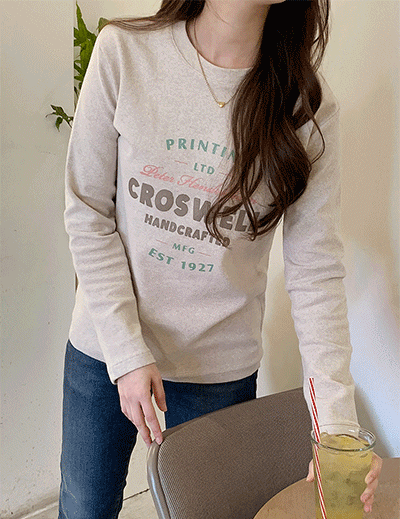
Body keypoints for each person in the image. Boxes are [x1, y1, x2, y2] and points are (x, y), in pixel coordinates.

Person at [59, 0, 382, 517]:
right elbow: (89, 212)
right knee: (84, 508)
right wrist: (126, 352)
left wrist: (337, 428)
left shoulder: (305, 107)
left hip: (218, 374)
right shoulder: (124, 53)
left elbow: (316, 271)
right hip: (104, 350)